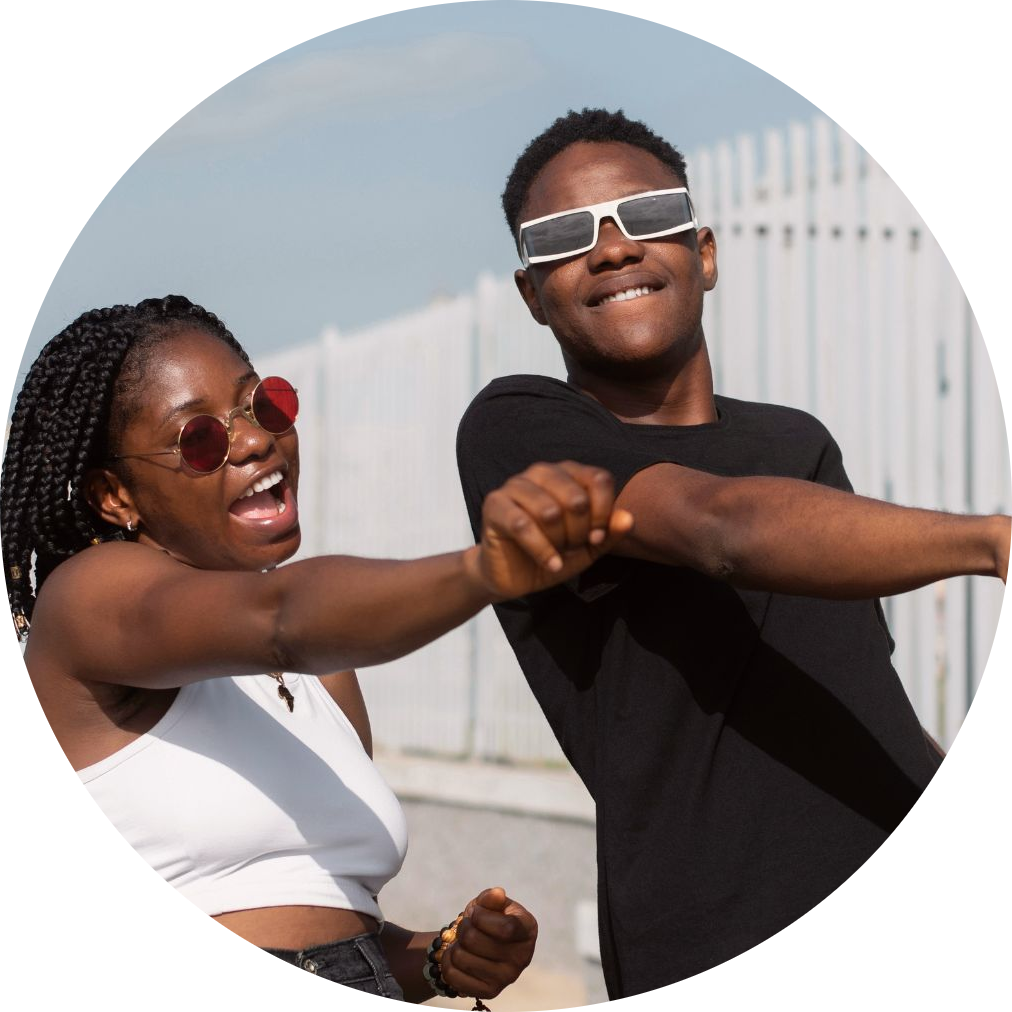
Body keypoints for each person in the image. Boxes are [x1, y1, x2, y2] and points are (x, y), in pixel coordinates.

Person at [455, 108, 1011, 997]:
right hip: (712, 932)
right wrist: (991, 540)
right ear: (532, 294)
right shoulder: (518, 428)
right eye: (565, 236)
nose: (612, 249)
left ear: (704, 252)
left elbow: (863, 690)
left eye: (647, 216)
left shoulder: (798, 443)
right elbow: (718, 530)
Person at [3, 294, 635, 1000]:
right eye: (200, 438)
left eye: (263, 404)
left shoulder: (322, 670)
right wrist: (482, 570)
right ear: (115, 496)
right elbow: (281, 616)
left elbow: (330, 924)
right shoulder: (89, 600)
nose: (254, 441)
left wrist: (438, 957)